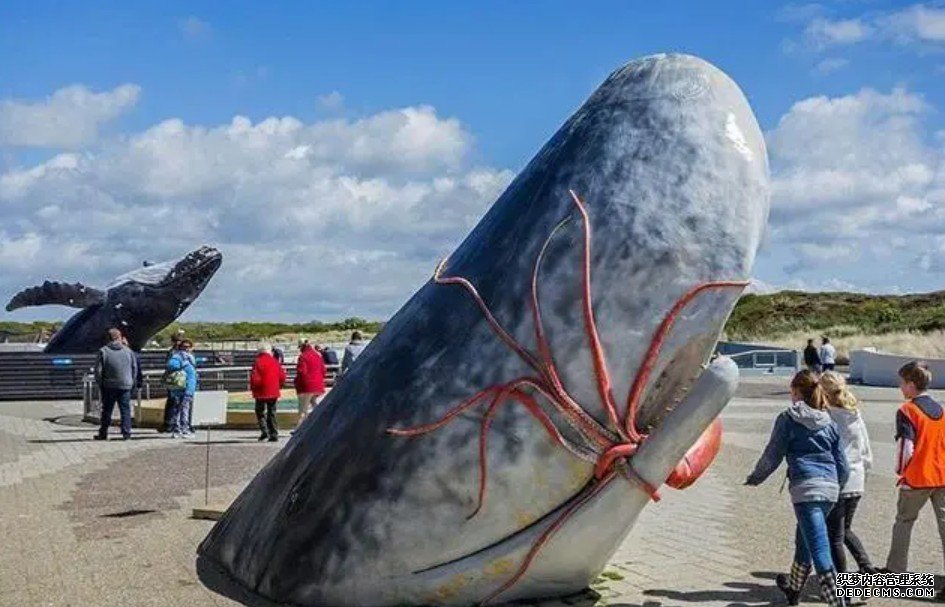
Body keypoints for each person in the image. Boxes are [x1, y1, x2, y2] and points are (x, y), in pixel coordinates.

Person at [745, 370, 849, 606]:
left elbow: (773, 454)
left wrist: (755, 477)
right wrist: (837, 486)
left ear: (795, 392)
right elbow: (842, 464)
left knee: (820, 549)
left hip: (806, 489)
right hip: (830, 489)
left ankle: (838, 601)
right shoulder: (829, 422)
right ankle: (793, 588)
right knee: (805, 540)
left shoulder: (788, 418)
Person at [884, 361, 945, 601]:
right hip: (942, 475)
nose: (900, 387)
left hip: (918, 476)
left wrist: (901, 472)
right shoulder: (941, 410)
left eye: (902, 383)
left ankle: (896, 572)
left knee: (904, 522)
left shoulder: (907, 411)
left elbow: (905, 447)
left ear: (911, 385)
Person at [820, 371, 876, 574]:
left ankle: (844, 587)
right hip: (857, 478)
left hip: (836, 480)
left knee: (834, 535)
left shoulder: (826, 416)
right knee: (844, 530)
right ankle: (866, 568)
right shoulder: (855, 414)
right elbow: (865, 450)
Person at [94, 328, 138, 441]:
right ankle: (126, 433)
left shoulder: (103, 351)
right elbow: (134, 368)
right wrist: (132, 382)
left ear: (108, 338)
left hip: (109, 385)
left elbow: (98, 371)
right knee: (125, 410)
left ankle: (103, 433)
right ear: (120, 337)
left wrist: (101, 383)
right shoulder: (128, 351)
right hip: (126, 384)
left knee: (107, 410)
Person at [251, 344, 286, 442]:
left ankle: (264, 431)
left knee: (260, 411)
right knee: (272, 412)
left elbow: (255, 378)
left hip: (261, 391)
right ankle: (274, 433)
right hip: (273, 390)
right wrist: (279, 386)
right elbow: (282, 376)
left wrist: (254, 388)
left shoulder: (257, 362)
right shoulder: (275, 361)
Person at [166, 339, 198, 439]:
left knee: (182, 408)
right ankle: (182, 429)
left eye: (188, 347)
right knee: (182, 408)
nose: (186, 349)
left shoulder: (190, 358)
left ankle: (180, 428)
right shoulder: (179, 357)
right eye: (184, 347)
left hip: (188, 386)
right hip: (181, 386)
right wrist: (182, 364)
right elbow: (171, 365)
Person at [159, 329, 186, 432]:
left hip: (179, 379)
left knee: (176, 401)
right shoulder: (174, 352)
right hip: (176, 380)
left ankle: (173, 423)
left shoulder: (174, 352)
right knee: (173, 401)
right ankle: (170, 423)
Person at [294, 340, 326, 424]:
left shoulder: (303, 356)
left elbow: (301, 372)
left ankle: (299, 429)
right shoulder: (318, 355)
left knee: (303, 409)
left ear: (302, 347)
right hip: (318, 385)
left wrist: (296, 382)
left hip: (306, 386)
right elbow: (323, 370)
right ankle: (322, 422)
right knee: (314, 403)